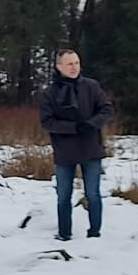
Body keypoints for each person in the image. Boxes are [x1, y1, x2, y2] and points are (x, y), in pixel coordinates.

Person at [39, 50, 114, 240]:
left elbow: (107, 109)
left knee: (93, 194)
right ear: (59, 67)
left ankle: (95, 233)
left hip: (91, 148)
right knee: (63, 196)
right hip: (65, 150)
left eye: (76, 63)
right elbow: (47, 121)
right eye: (69, 64)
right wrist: (73, 128)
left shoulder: (91, 86)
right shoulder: (50, 93)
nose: (74, 67)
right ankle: (64, 234)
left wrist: (91, 124)